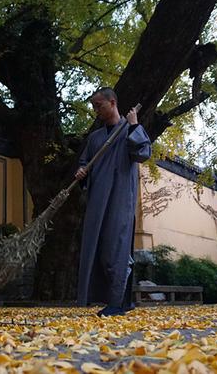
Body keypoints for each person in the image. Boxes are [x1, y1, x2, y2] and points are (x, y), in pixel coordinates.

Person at [75, 87, 152, 316]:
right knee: (97, 249)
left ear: (112, 102)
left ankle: (118, 302)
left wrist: (135, 124)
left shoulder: (129, 130)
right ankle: (118, 301)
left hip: (120, 200)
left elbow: (143, 153)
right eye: (93, 106)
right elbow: (84, 163)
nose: (95, 110)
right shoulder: (95, 138)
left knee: (115, 249)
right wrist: (81, 172)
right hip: (97, 202)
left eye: (99, 105)